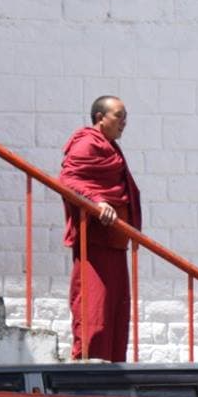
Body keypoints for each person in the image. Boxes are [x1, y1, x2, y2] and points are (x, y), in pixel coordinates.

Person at [59, 96, 141, 361]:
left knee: (116, 313)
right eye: (119, 115)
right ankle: (89, 373)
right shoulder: (87, 143)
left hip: (115, 243)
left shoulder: (110, 146)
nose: (124, 122)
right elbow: (68, 179)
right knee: (95, 312)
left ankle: (114, 376)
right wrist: (96, 201)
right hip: (96, 244)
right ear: (99, 117)